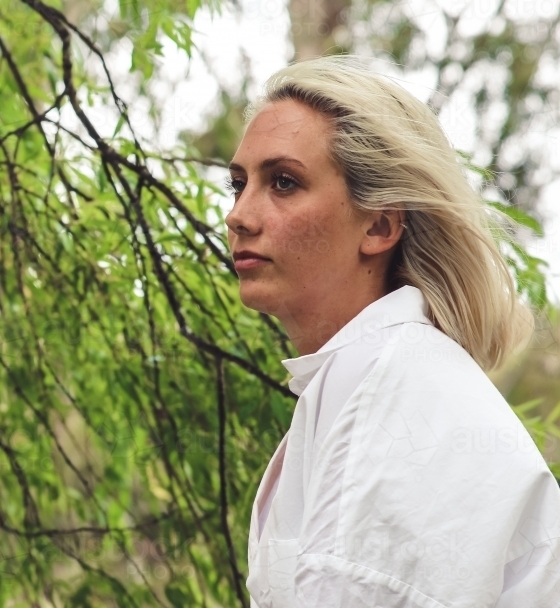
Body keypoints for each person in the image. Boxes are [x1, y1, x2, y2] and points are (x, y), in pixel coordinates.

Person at [225, 55, 560, 607]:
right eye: (238, 184)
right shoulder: (370, 375)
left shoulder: (392, 390)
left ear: (379, 225)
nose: (239, 214)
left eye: (283, 182)